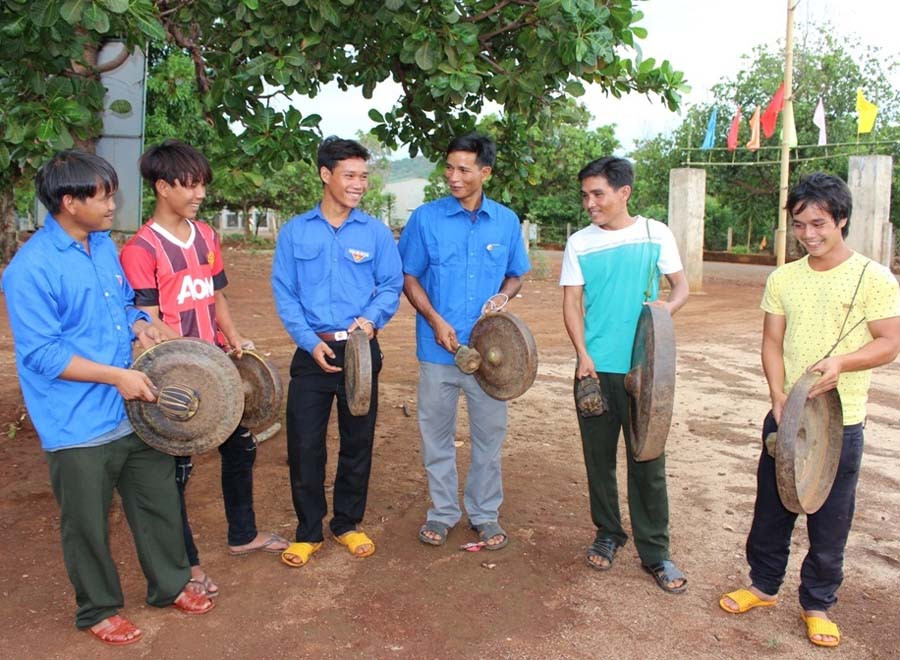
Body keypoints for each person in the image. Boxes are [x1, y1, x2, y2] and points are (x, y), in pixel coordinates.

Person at [2, 150, 214, 646]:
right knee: (87, 523)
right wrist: (118, 377)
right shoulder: (29, 270)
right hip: (76, 422)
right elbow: (43, 355)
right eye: (105, 196)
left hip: (132, 410)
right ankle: (97, 607)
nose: (114, 205)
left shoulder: (100, 246)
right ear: (69, 202)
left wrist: (143, 324)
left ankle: (170, 584)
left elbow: (120, 303)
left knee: (158, 501)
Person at [719, 173, 900, 648]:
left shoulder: (873, 277)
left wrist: (843, 361)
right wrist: (779, 397)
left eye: (818, 223)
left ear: (841, 219)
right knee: (772, 508)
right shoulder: (783, 278)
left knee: (830, 517)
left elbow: (889, 344)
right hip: (787, 414)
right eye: (799, 225)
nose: (808, 235)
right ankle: (762, 585)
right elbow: (771, 342)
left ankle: (818, 603)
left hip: (842, 423)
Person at [120, 140, 288, 598]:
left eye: (201, 185)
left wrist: (232, 341)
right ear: (161, 186)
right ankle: (188, 564)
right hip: (175, 381)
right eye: (189, 185)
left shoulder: (207, 236)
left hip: (216, 366)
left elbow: (216, 296)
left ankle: (243, 534)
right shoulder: (141, 249)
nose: (199, 194)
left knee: (241, 448)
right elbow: (147, 322)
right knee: (176, 473)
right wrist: (197, 362)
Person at [271, 137, 403, 567]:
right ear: (325, 175)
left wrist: (370, 320)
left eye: (364, 176)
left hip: (361, 353)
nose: (359, 184)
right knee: (305, 444)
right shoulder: (295, 231)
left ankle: (347, 523)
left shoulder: (376, 232)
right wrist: (309, 342)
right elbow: (285, 293)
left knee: (357, 441)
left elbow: (390, 285)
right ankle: (308, 531)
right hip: (312, 353)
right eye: (350, 175)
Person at [560, 156, 689, 592]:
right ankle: (608, 533)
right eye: (584, 195)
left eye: (597, 194)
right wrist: (582, 355)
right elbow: (572, 303)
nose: (589, 203)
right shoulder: (579, 242)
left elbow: (681, 287)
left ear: (624, 192)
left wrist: (664, 314)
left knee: (648, 460)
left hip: (645, 371)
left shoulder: (656, 234)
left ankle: (656, 552)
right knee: (598, 460)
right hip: (594, 369)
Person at [398, 133, 531, 550]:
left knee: (488, 438)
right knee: (435, 436)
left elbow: (516, 273)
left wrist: (504, 296)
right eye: (449, 167)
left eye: (463, 169)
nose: (453, 177)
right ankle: (441, 512)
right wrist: (435, 319)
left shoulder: (506, 222)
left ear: (485, 172)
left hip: (492, 357)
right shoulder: (425, 219)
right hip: (437, 350)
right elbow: (409, 276)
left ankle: (484, 513)